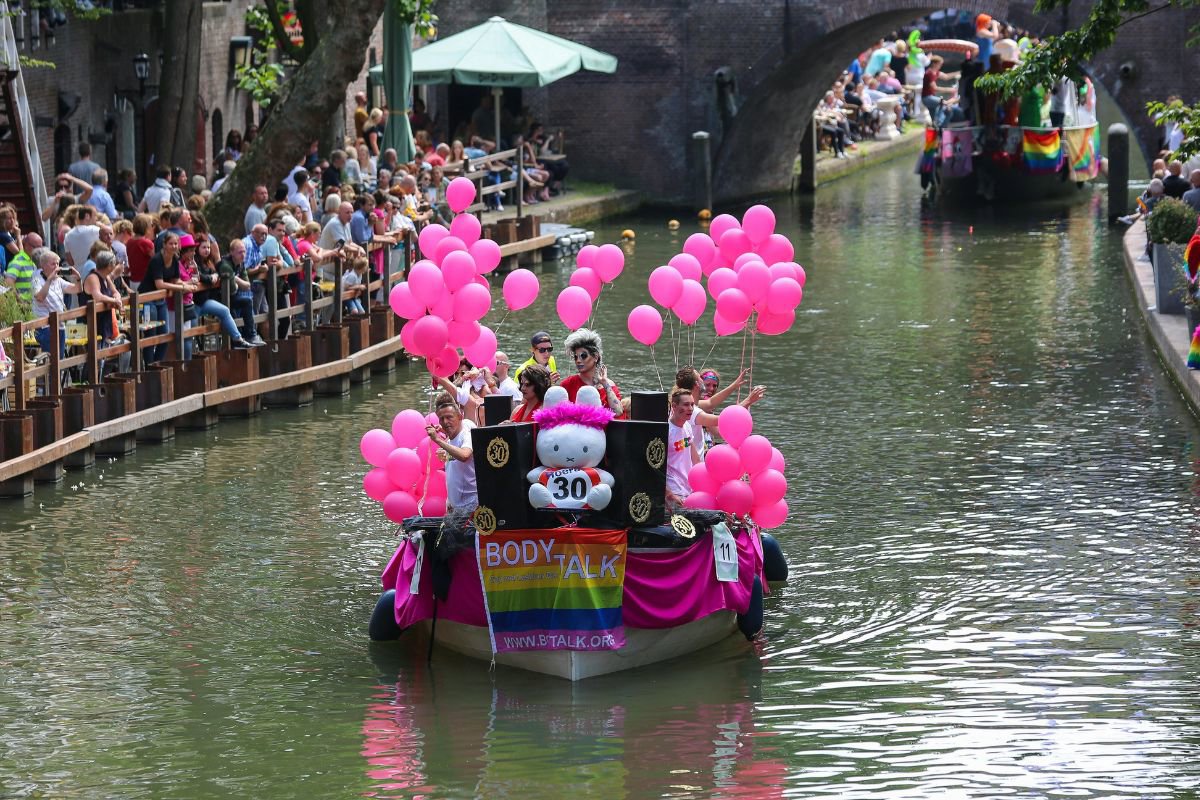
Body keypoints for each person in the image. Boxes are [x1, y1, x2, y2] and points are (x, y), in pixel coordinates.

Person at [191, 237, 258, 349]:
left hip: (206, 300)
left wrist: (217, 276)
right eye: (203, 247)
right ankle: (187, 359)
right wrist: (211, 278)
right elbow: (199, 277)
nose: (207, 250)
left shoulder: (210, 262)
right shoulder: (194, 262)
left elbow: (218, 275)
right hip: (195, 302)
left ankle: (238, 339)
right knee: (189, 332)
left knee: (225, 310)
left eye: (208, 247)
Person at [82, 251, 130, 374]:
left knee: (122, 349)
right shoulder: (93, 277)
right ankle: (90, 382)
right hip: (93, 323)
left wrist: (117, 299)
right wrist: (115, 301)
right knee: (95, 357)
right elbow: (97, 296)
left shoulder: (106, 277)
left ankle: (105, 378)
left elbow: (115, 291)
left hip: (105, 322)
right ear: (109, 265)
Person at [428, 392, 477, 512]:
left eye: (449, 417)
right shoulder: (449, 439)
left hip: (471, 505)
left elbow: (464, 455)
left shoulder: (467, 433)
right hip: (456, 507)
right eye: (441, 419)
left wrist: (437, 440)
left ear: (460, 416)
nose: (445, 422)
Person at [30, 248, 82, 357]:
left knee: (60, 360)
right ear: (43, 266)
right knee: (53, 361)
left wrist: (78, 278)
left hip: (59, 325)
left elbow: (77, 289)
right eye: (53, 264)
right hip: (45, 327)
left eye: (58, 263)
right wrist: (49, 280)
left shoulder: (58, 279)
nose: (56, 267)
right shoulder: (37, 278)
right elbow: (40, 297)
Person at [560, 327, 623, 416]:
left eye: (583, 356)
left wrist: (605, 384)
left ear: (596, 357)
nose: (578, 360)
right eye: (576, 357)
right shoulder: (568, 384)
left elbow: (618, 412)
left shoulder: (608, 384)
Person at [665, 387, 703, 509]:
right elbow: (656, 468)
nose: (691, 409)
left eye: (692, 404)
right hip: (674, 490)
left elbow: (695, 459)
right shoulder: (666, 431)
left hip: (689, 487)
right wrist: (668, 493)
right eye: (686, 405)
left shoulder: (687, 425)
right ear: (674, 406)